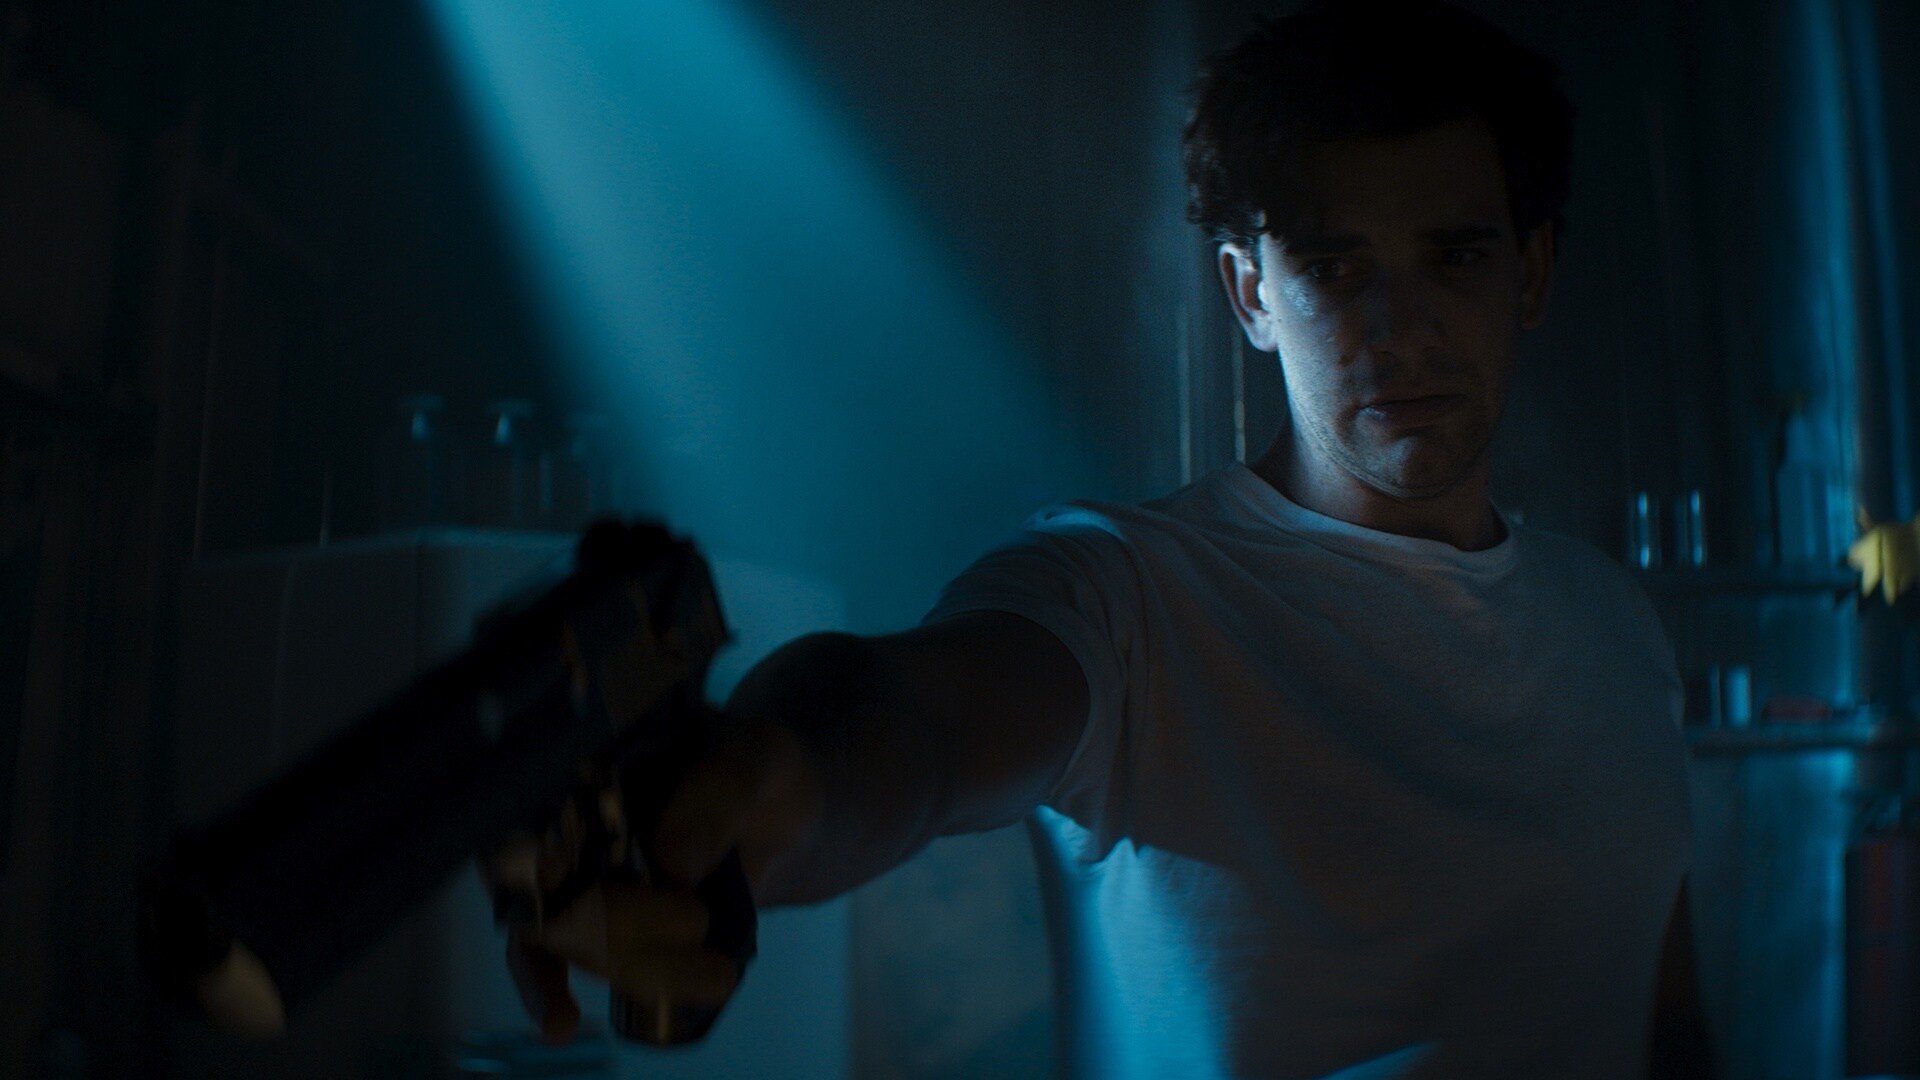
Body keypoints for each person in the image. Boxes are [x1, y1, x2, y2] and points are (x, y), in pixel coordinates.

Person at [510, 2, 1716, 1076]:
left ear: (1532, 272)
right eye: (1335, 266)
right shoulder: (1129, 593)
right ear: (1251, 295)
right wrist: (771, 781)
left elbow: (1661, 1017)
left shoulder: (1617, 627)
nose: (1399, 326)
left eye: (1454, 255)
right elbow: (919, 717)